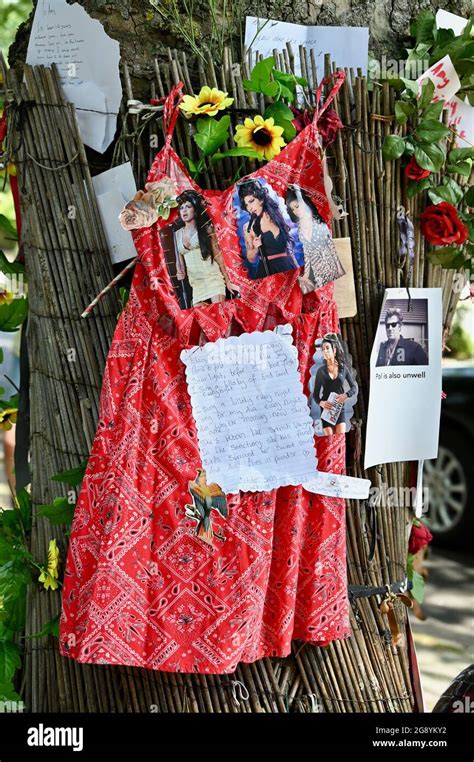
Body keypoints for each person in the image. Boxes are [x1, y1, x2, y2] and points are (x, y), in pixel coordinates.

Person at [174, 191, 237, 307]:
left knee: (220, 315)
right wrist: (179, 272)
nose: (184, 210)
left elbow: (218, 256)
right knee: (203, 320)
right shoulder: (177, 234)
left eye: (188, 207)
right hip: (196, 285)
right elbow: (180, 263)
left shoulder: (206, 229)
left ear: (195, 209)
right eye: (181, 208)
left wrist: (228, 281)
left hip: (212, 279)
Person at [286, 185, 345, 294]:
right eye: (292, 209)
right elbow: (307, 253)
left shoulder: (318, 221)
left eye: (297, 206)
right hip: (317, 271)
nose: (295, 211)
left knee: (332, 293)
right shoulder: (299, 228)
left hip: (328, 264)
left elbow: (330, 245)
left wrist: (338, 268)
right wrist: (306, 275)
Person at [238, 180, 298, 279]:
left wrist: (297, 269)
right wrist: (256, 248)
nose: (250, 208)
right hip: (268, 271)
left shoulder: (276, 217)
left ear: (260, 199)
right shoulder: (249, 227)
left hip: (288, 267)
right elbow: (250, 258)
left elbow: (288, 250)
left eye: (251, 201)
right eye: (247, 205)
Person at [312, 334, 357, 436]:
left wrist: (346, 395)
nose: (325, 351)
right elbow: (315, 394)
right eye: (323, 349)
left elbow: (353, 387)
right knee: (329, 440)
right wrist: (321, 403)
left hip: (339, 409)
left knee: (340, 438)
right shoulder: (321, 371)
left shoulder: (343, 369)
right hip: (326, 409)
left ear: (334, 350)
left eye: (327, 348)